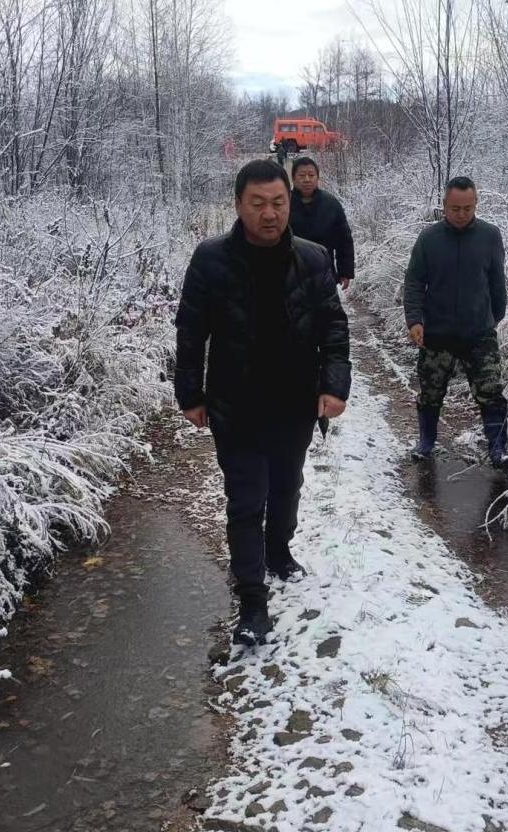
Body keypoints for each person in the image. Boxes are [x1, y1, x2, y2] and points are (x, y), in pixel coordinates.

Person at [174, 160, 351, 646]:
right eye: (257, 204)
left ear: (289, 203)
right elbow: (191, 331)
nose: (269, 213)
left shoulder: (314, 259)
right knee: (246, 500)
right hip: (236, 404)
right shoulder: (210, 259)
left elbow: (334, 329)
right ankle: (253, 600)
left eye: (278, 203)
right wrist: (189, 394)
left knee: (287, 487)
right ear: (238, 205)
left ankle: (279, 551)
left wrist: (334, 386)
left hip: (295, 401)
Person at [402, 176, 508, 468]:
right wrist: (414, 320)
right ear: (444, 206)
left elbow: (497, 282)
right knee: (430, 392)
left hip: (479, 332)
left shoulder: (490, 236)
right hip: (437, 333)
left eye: (467, 208)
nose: (461, 214)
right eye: (455, 208)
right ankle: (426, 442)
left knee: (491, 392)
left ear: (476, 204)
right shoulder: (429, 238)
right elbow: (414, 283)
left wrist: (494, 317)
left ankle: (498, 449)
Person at [289, 157, 355, 290]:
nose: (307, 179)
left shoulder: (331, 204)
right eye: (301, 175)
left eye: (311, 175)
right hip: (291, 275)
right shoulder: (283, 204)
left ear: (317, 178)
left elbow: (344, 240)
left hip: (324, 273)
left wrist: (345, 271)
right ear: (293, 178)